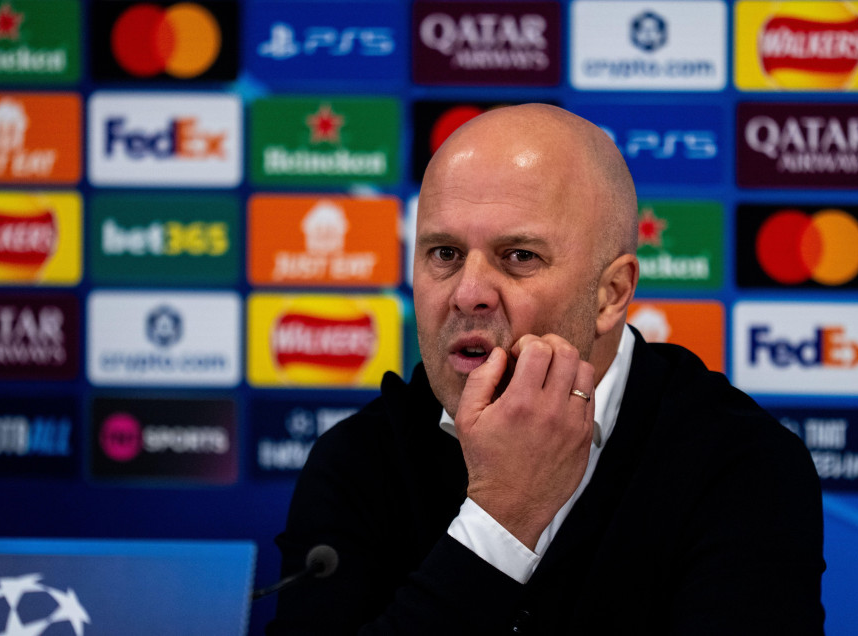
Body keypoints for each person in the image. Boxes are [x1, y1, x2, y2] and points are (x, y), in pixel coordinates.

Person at [267, 104, 825, 635]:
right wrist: (501, 517)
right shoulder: (358, 460)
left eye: (519, 257)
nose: (468, 294)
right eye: (444, 253)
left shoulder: (741, 464)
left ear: (611, 294)